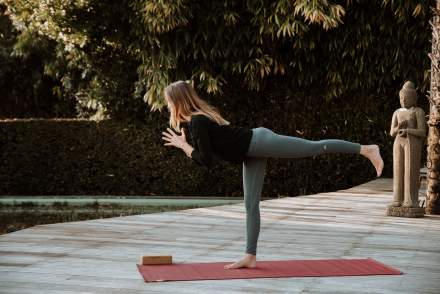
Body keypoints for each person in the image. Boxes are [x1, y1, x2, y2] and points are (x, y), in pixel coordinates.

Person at [161, 80, 384, 270]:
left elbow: (206, 161)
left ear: (177, 101)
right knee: (250, 205)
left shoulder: (197, 122)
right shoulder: (196, 121)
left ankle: (366, 149)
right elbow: (214, 156)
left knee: (312, 147)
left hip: (259, 142)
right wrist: (186, 146)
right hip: (250, 153)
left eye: (168, 101)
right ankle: (250, 256)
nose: (167, 105)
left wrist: (184, 147)